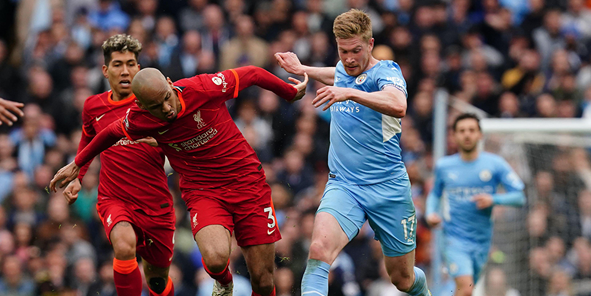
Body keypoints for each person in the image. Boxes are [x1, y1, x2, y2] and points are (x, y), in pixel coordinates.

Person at [50, 65, 308, 296]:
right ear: (140, 105)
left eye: (166, 98)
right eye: (155, 107)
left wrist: (287, 91)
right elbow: (109, 133)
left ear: (171, 84)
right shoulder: (140, 118)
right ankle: (224, 283)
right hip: (203, 191)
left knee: (263, 281)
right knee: (217, 259)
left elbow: (252, 73)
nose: (166, 109)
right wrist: (78, 163)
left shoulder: (204, 88)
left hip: (248, 184)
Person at [275, 9, 431, 296]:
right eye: (342, 50)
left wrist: (348, 93)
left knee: (403, 279)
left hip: (388, 188)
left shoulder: (386, 71)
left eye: (356, 50)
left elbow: (398, 104)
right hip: (345, 185)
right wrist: (303, 70)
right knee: (319, 251)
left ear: (370, 44)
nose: (348, 58)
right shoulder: (343, 70)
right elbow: (336, 73)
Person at [63, 34, 175, 296]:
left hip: (155, 204)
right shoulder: (93, 106)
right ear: (105, 70)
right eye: (117, 64)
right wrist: (78, 176)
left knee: (157, 281)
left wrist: (161, 144)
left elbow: (185, 140)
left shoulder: (157, 103)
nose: (125, 70)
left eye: (131, 63)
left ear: (139, 68)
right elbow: (89, 141)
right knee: (124, 247)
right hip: (115, 198)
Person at [425, 113, 526, 296]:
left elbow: (519, 197)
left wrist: (494, 199)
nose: (467, 135)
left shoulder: (495, 164)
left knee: (465, 289)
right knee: (466, 288)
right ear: (454, 136)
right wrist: (431, 213)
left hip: (482, 242)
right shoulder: (444, 166)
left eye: (472, 130)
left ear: (480, 135)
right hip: (453, 239)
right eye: (462, 131)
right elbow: (435, 194)